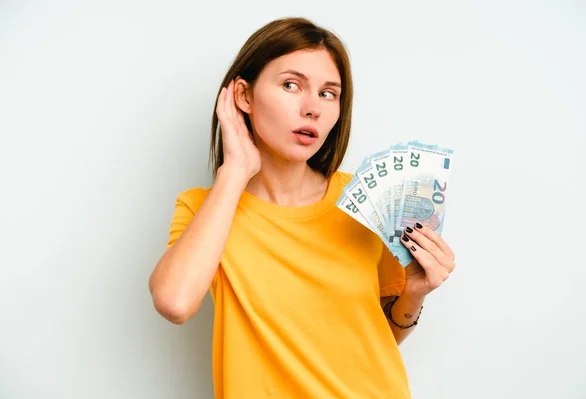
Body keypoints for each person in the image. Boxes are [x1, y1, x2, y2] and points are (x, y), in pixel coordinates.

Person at [148, 16, 456, 399]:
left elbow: (377, 340)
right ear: (244, 96)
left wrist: (413, 295)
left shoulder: (368, 200)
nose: (312, 108)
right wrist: (237, 170)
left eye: (329, 93)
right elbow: (174, 303)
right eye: (291, 85)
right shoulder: (205, 209)